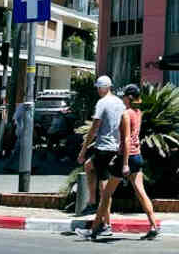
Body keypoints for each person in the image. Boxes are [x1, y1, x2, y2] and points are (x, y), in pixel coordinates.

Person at [77, 76, 125, 240]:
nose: (97, 90)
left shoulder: (102, 103)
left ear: (104, 87)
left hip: (103, 148)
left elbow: (93, 128)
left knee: (104, 190)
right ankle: (91, 202)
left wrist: (83, 149)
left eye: (98, 88)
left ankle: (105, 224)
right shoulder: (120, 103)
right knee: (90, 167)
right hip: (115, 147)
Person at [119, 85, 158, 239]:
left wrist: (125, 163)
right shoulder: (138, 112)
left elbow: (127, 138)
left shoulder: (127, 114)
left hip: (128, 157)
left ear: (128, 97)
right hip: (138, 156)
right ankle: (153, 225)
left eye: (123, 96)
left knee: (106, 192)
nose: (122, 99)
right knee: (141, 193)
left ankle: (97, 227)